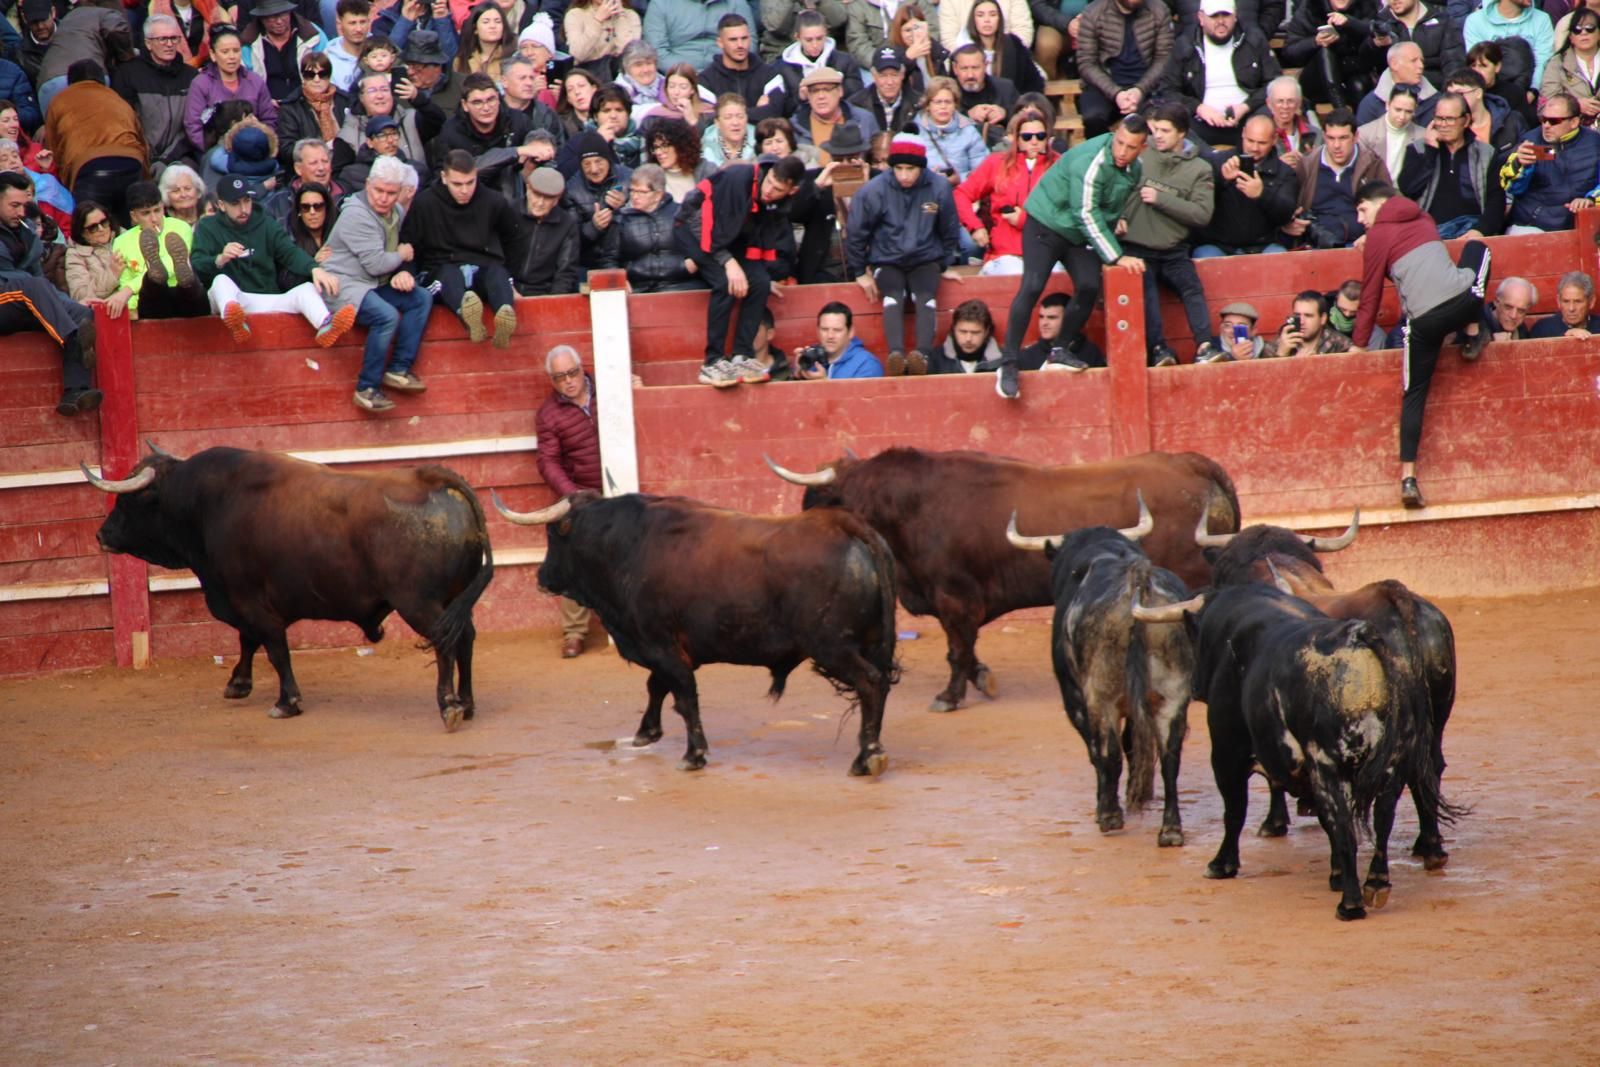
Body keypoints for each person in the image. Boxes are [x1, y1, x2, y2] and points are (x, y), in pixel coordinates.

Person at [1350, 180, 1490, 508]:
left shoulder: (1378, 236)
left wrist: (1359, 344)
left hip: (1424, 322)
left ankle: (1408, 478)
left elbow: (1371, 294)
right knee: (1478, 249)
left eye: (1362, 209)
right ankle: (1472, 332)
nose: (1360, 219)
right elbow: (1410, 267)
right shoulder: (1424, 216)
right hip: (1461, 304)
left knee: (1414, 395)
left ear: (1380, 203)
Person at [997, 115, 1148, 399]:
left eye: (1130, 147)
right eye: (1119, 143)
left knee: (1089, 284)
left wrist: (1114, 231)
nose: (1122, 151)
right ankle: (1009, 362)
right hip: (1045, 222)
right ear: (1114, 135)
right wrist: (1115, 256)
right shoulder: (1092, 161)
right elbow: (1085, 213)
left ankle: (1059, 349)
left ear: (1143, 148)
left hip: (1075, 233)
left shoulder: (1135, 169)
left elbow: (1113, 207)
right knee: (1032, 286)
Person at [674, 155, 805, 387]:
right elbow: (705, 225)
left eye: (778, 190)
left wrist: (757, 272)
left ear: (791, 191)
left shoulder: (778, 203)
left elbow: (757, 238)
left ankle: (742, 356)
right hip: (692, 228)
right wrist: (728, 262)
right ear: (768, 173)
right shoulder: (738, 180)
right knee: (725, 283)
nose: (769, 191)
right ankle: (712, 362)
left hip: (728, 241)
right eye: (769, 182)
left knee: (760, 282)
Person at [321, 155, 434, 412]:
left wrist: (402, 270)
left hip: (371, 284)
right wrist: (402, 256)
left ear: (401, 192)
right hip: (342, 285)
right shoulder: (356, 214)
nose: (383, 198)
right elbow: (377, 263)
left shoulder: (397, 211)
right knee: (386, 316)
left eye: (391, 193)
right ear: (367, 184)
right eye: (378, 190)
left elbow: (392, 255)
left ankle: (399, 369)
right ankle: (366, 387)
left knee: (420, 298)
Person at [190, 174, 356, 345]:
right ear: (221, 205)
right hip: (232, 299)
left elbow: (289, 252)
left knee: (306, 289)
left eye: (247, 201)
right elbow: (196, 264)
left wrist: (315, 268)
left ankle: (325, 324)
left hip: (266, 297)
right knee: (221, 281)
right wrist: (220, 259)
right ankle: (235, 323)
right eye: (235, 203)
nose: (243, 209)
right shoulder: (207, 226)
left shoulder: (265, 222)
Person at [847, 130, 962, 375]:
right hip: (886, 259)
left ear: (921, 167)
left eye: (910, 169)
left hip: (926, 258)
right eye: (898, 168)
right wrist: (859, 271)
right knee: (893, 295)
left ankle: (922, 355)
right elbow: (856, 231)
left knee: (926, 296)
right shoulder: (875, 190)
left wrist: (944, 263)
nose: (904, 175)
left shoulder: (938, 187)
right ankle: (896, 355)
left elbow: (950, 228)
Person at [1119, 102, 1214, 366]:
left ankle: (1205, 346)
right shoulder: (1140, 153)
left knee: (1191, 287)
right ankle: (1159, 349)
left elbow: (1202, 214)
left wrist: (1161, 199)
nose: (1158, 135)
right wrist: (1118, 217)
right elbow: (1114, 189)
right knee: (1146, 291)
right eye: (1155, 129)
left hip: (1174, 250)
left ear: (1181, 133)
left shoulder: (1200, 168)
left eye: (1165, 130)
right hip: (1136, 247)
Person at [0, 173, 100, 415]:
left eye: (24, 205)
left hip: (24, 300)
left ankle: (75, 392)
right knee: (35, 287)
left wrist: (66, 303)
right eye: (14, 205)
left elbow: (41, 281)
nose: (21, 212)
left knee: (81, 313)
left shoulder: (26, 233)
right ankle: (73, 339)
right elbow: (19, 279)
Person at [401, 148, 522, 346]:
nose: (464, 190)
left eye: (470, 182)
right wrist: (406, 272)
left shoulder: (494, 201)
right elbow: (408, 243)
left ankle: (504, 315)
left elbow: (514, 238)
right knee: (448, 276)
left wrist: (512, 278)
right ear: (444, 177)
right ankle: (468, 317)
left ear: (476, 176)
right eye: (457, 184)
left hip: (483, 269)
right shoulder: (425, 203)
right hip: (442, 274)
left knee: (497, 273)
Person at [535, 344, 603, 658]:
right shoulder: (548, 414)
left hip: (623, 486)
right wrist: (573, 495)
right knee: (573, 555)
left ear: (582, 369)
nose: (568, 381)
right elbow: (548, 462)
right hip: (582, 496)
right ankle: (574, 633)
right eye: (560, 377)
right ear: (552, 380)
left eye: (572, 373)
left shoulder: (608, 388)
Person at [956, 106, 1060, 275]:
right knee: (1015, 273)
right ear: (1016, 139)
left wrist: (1023, 220)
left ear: (1048, 138)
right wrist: (975, 227)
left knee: (1055, 275)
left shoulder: (1060, 165)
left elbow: (1064, 212)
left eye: (1040, 136)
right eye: (1027, 137)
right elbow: (961, 195)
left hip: (1048, 252)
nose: (1034, 141)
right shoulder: (996, 163)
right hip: (1004, 255)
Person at [42, 60, 148, 225]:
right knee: (135, 230)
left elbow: (52, 148)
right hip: (131, 163)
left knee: (92, 229)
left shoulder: (59, 101)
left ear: (70, 82)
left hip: (89, 167)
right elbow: (142, 140)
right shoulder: (117, 98)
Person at [1162, 0, 1281, 147]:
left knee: (1272, 111)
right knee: (1174, 121)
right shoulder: (1185, 45)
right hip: (1200, 122)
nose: (1220, 21)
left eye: (1226, 15)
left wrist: (1246, 107)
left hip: (1247, 121)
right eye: (1214, 16)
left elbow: (1274, 83)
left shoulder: (1254, 39)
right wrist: (1199, 108)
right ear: (1201, 18)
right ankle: (1212, 157)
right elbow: (1168, 90)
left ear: (1235, 15)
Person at [1396, 90, 1503, 236]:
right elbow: (1408, 189)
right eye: (1439, 118)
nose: (1443, 124)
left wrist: (1481, 230)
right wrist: (1430, 151)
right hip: (1429, 232)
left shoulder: (1486, 153)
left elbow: (1496, 200)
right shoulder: (1418, 149)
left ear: (1466, 120)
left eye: (1450, 119)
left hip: (1471, 229)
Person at [1286, 108, 1390, 249]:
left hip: (1360, 245)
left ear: (1356, 137)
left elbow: (1389, 208)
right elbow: (1289, 205)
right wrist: (1289, 223)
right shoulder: (1307, 165)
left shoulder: (1373, 165)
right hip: (1315, 246)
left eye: (1343, 138)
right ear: (1324, 136)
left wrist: (1372, 235)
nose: (1336, 146)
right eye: (1331, 138)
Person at [1499, 90, 1600, 233]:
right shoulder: (1531, 141)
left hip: (1582, 224)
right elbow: (1512, 188)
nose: (1546, 125)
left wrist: (1590, 199)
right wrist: (1519, 164)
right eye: (1543, 119)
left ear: (1574, 122)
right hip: (1532, 224)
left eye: (1554, 121)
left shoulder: (1595, 143)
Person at [109, 180, 209, 320]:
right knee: (153, 286)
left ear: (163, 207)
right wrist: (131, 308)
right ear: (134, 216)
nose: (154, 218)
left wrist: (129, 289)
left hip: (185, 298)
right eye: (146, 213)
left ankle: (167, 278)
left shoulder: (180, 227)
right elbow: (125, 279)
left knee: (188, 285)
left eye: (157, 210)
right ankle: (153, 277)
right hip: (155, 305)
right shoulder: (122, 242)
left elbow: (171, 264)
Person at [111, 16, 200, 173]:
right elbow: (124, 124)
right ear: (148, 43)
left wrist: (166, 160)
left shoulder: (191, 76)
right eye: (162, 39)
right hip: (139, 156)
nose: (169, 44)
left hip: (178, 156)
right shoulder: (128, 74)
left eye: (174, 38)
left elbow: (191, 127)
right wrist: (148, 158)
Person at [1075, 0, 1174, 138]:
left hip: (1148, 88)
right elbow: (1087, 63)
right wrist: (1116, 93)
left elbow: (1164, 59)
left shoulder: (1159, 10)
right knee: (1093, 118)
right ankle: (1102, 150)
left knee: (1162, 121)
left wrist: (1140, 90)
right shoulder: (1093, 12)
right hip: (1104, 87)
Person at [432, 72, 539, 182]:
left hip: (511, 186)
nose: (486, 108)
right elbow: (441, 176)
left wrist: (541, 142)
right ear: (465, 105)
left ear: (498, 98)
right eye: (477, 102)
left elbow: (540, 141)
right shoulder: (451, 132)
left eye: (491, 99)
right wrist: (516, 151)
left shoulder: (518, 120)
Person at [615, 163, 702, 293]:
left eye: (641, 192)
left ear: (658, 195)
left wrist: (691, 264)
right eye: (632, 190)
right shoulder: (622, 219)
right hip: (638, 289)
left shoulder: (681, 214)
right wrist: (620, 279)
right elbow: (609, 259)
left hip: (682, 285)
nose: (634, 196)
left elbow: (703, 245)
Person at [339, 70, 442, 166]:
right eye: (372, 91)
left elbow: (438, 121)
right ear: (361, 97)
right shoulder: (349, 132)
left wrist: (417, 98)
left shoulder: (411, 119)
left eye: (384, 89)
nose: (380, 96)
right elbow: (343, 174)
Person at [274, 54, 354, 174]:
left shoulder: (345, 101)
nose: (317, 80)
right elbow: (286, 149)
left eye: (322, 74)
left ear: (329, 76)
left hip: (346, 167)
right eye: (310, 75)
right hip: (308, 171)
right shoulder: (290, 108)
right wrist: (318, 151)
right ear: (303, 77)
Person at [564, 129, 630, 270]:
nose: (594, 169)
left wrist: (625, 206)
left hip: (627, 259)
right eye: (587, 164)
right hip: (589, 263)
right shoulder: (572, 189)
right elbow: (571, 239)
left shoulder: (629, 178)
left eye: (598, 161)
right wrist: (593, 227)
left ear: (608, 159)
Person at [1364, 0, 1463, 92]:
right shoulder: (1379, 24)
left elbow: (1453, 65)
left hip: (1436, 91)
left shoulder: (1442, 20)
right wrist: (1375, 45)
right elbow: (1365, 64)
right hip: (1394, 93)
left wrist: (1448, 95)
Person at [510, 165, 580, 294]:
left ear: (557, 199)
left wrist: (553, 301)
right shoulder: (509, 212)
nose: (540, 203)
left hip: (543, 293)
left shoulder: (567, 224)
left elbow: (566, 272)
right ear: (528, 189)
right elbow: (496, 259)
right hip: (506, 289)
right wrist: (507, 289)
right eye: (537, 195)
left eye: (548, 198)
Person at [243, 0, 329, 104]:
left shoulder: (314, 35)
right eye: (272, 17)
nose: (279, 21)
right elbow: (246, 84)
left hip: (307, 103)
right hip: (267, 107)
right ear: (262, 18)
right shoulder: (247, 43)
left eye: (283, 14)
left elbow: (327, 74)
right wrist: (265, 103)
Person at [955, 0, 1044, 97]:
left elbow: (1034, 82)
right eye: (980, 15)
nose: (987, 20)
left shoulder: (1014, 44)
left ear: (999, 18)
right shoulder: (964, 50)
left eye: (992, 15)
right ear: (973, 20)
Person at [776, 9, 867, 103]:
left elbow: (857, 97)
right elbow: (782, 106)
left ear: (826, 34)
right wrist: (800, 97)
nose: (815, 45)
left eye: (819, 38)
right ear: (797, 37)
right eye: (809, 40)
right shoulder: (784, 68)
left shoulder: (845, 61)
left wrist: (836, 91)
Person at [789, 67, 881, 159]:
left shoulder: (865, 120)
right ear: (808, 95)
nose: (821, 96)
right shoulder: (795, 127)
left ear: (840, 91)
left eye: (827, 90)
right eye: (815, 91)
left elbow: (877, 157)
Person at [700, 15, 784, 112]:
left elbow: (775, 112)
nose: (740, 45)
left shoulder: (770, 74)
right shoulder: (706, 80)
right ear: (720, 43)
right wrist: (757, 110)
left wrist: (726, 115)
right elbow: (708, 118)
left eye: (744, 38)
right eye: (733, 40)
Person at [1463, 0, 1555, 89]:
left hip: (1529, 90)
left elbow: (1542, 62)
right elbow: (1477, 63)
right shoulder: (1476, 21)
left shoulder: (1542, 19)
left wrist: (1533, 90)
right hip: (1488, 91)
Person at [643, 0, 756, 71]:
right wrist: (687, 74)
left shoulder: (736, 3)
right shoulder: (661, 3)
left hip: (728, 72)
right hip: (678, 76)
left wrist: (724, 72)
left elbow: (750, 42)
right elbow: (657, 52)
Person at [918, 76, 988, 182]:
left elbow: (982, 172)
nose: (943, 107)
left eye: (948, 102)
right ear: (928, 105)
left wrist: (959, 179)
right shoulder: (916, 132)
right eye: (938, 102)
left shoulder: (969, 132)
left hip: (961, 189)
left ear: (955, 104)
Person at [1018, 291, 1109, 370]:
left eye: (1052, 317)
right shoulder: (1027, 356)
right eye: (1041, 317)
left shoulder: (1090, 352)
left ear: (1068, 320)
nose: (1044, 323)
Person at [1356, 41, 1440, 126]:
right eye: (1414, 61)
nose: (1421, 66)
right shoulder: (1370, 105)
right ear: (1394, 64)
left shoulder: (1436, 101)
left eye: (1421, 61)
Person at [797, 301, 883, 379]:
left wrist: (823, 383)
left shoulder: (866, 364)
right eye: (824, 329)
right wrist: (798, 374)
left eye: (837, 330)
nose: (830, 336)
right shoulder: (810, 358)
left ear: (851, 332)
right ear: (817, 331)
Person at [1541, 7, 1600, 118]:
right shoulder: (1556, 63)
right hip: (1571, 124)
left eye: (1590, 28)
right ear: (1571, 37)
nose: (1584, 33)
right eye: (1577, 30)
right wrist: (1575, 105)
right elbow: (1547, 103)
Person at [65, 199, 125, 308]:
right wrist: (112, 274)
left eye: (104, 222)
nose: (101, 229)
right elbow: (80, 295)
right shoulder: (75, 255)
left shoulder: (124, 235)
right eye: (93, 227)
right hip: (107, 308)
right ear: (82, 233)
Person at [1358, 83, 1426, 180]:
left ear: (1415, 110)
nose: (1402, 116)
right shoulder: (1365, 134)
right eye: (1398, 110)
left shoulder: (1423, 136)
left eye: (1408, 111)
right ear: (1387, 105)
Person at [280, 181, 339, 288]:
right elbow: (285, 281)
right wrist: (312, 264)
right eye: (305, 207)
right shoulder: (288, 235)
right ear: (299, 211)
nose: (312, 212)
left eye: (318, 206)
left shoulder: (339, 229)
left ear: (326, 208)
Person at [565, 0, 642, 81]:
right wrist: (597, 20)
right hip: (588, 74)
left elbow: (632, 54)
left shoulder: (630, 16)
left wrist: (620, 16)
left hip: (620, 72)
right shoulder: (575, 15)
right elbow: (579, 54)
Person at [949, 42, 1022, 128]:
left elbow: (1025, 114)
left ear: (985, 66)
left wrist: (1005, 113)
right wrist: (966, 115)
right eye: (964, 68)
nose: (970, 75)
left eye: (975, 68)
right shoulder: (946, 91)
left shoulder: (1006, 88)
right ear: (955, 68)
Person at [1261, 289, 1354, 356]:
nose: (1302, 321)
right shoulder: (1281, 342)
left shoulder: (1339, 344)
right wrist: (1281, 354)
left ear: (1323, 319)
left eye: (1308, 316)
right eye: (1297, 315)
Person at [644, 116, 714, 202]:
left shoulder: (707, 171)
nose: (658, 152)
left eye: (664, 145)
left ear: (680, 145)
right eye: (656, 147)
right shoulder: (648, 176)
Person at [851, 47, 917, 137]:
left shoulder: (917, 104)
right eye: (883, 76)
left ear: (902, 75)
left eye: (894, 75)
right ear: (874, 76)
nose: (889, 82)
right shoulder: (857, 104)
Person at [929, 296, 1004, 373]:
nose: (968, 339)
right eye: (963, 332)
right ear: (953, 329)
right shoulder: (934, 360)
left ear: (987, 332)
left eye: (975, 332)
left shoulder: (1005, 361)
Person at [1528, 270, 1600, 337]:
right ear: (1558, 301)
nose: (1571, 308)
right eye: (1566, 301)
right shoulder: (1542, 329)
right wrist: (1565, 336)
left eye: (1578, 301)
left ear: (1591, 302)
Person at [323, 0, 374, 91]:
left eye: (362, 22)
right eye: (352, 23)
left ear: (369, 22)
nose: (359, 29)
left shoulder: (382, 50)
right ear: (339, 23)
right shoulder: (328, 60)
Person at [1197, 300, 1267, 361]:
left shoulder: (1265, 349)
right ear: (1221, 328)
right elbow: (1199, 369)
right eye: (1228, 325)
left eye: (1240, 327)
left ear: (1253, 331)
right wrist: (1232, 357)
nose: (1233, 331)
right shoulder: (1209, 348)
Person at [702, 93, 756, 165]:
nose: (735, 123)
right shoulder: (706, 145)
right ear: (717, 122)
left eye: (740, 116)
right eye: (728, 117)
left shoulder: (758, 139)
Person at [1481, 275, 1534, 339]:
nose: (1513, 316)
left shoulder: (1521, 330)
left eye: (1521, 311)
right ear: (1496, 302)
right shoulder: (1476, 323)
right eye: (1508, 307)